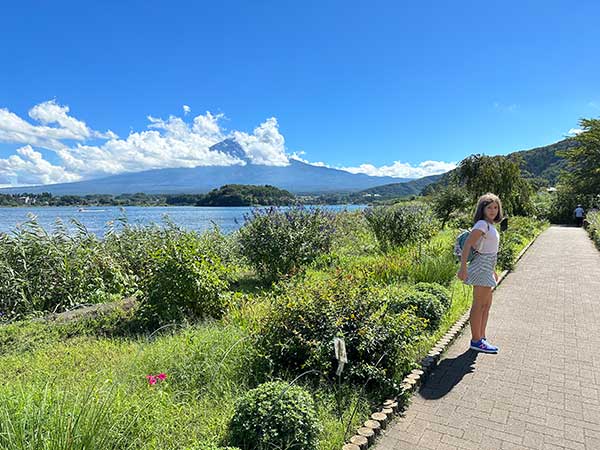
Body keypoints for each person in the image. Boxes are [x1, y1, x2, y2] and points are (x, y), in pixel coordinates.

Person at [457, 193, 503, 353]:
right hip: (481, 266)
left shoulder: (490, 225)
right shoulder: (482, 225)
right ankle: (476, 340)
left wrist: (493, 270)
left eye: (495, 207)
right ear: (482, 209)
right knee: (479, 304)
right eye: (489, 207)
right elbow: (468, 245)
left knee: (486, 304)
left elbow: (490, 250)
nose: (493, 210)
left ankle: (481, 337)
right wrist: (463, 267)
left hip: (488, 267)